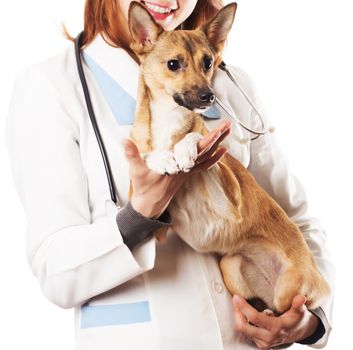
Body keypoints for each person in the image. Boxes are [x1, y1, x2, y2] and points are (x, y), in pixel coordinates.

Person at [5, 0, 334, 349]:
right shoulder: (51, 86)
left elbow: (295, 219)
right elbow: (55, 271)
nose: (171, 1)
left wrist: (311, 320)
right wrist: (141, 214)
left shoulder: (228, 85)